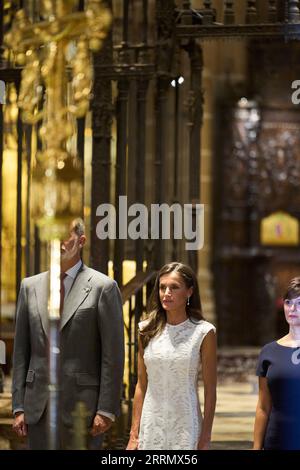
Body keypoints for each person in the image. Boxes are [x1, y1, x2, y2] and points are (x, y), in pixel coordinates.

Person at [12, 218, 124, 449]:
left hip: (83, 409)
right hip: (37, 409)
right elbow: (21, 352)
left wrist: (106, 409)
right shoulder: (29, 286)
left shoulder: (103, 287)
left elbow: (112, 355)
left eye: (64, 236)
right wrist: (19, 406)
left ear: (81, 241)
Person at [126, 262, 217, 450]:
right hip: (151, 425)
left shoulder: (204, 332)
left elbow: (210, 389)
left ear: (189, 292)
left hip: (186, 425)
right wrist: (134, 433)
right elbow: (142, 385)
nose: (166, 293)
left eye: (174, 287)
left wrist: (206, 437)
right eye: (162, 287)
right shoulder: (145, 329)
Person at [253, 277, 300, 450]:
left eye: (299, 303)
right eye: (289, 302)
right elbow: (263, 407)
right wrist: (256, 447)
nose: (293, 308)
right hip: (276, 440)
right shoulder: (269, 351)